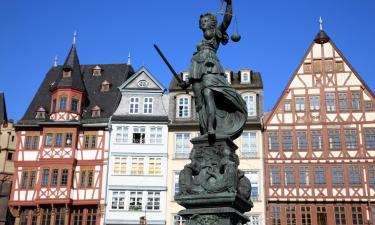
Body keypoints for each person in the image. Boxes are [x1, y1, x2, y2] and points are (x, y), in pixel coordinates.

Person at [180, 0, 247, 141]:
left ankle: (211, 128)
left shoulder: (216, 32)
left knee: (208, 92)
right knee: (200, 104)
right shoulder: (201, 40)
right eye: (201, 21)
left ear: (211, 22)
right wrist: (186, 83)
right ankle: (204, 131)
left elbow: (227, 20)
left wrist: (229, 4)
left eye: (205, 20)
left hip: (210, 67)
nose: (202, 23)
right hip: (196, 68)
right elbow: (192, 76)